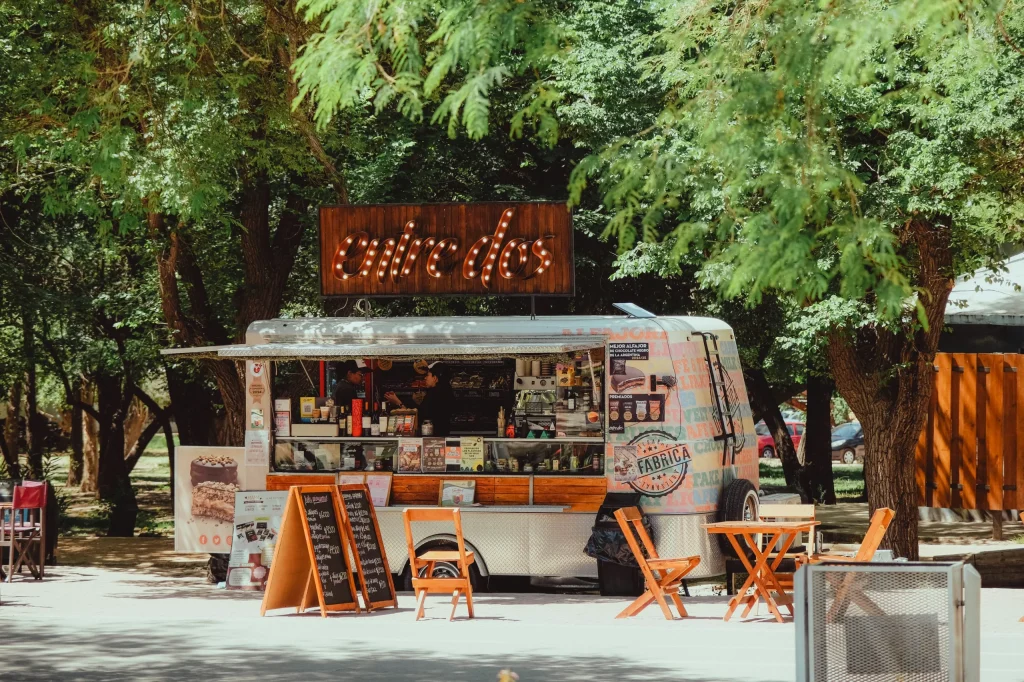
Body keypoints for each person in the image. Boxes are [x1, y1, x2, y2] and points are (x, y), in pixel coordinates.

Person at [385, 362, 453, 437]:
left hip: (432, 435)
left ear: (435, 378)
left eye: (428, 375)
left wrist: (398, 402)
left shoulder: (435, 393)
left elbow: (421, 415)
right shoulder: (447, 391)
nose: (425, 378)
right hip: (442, 434)